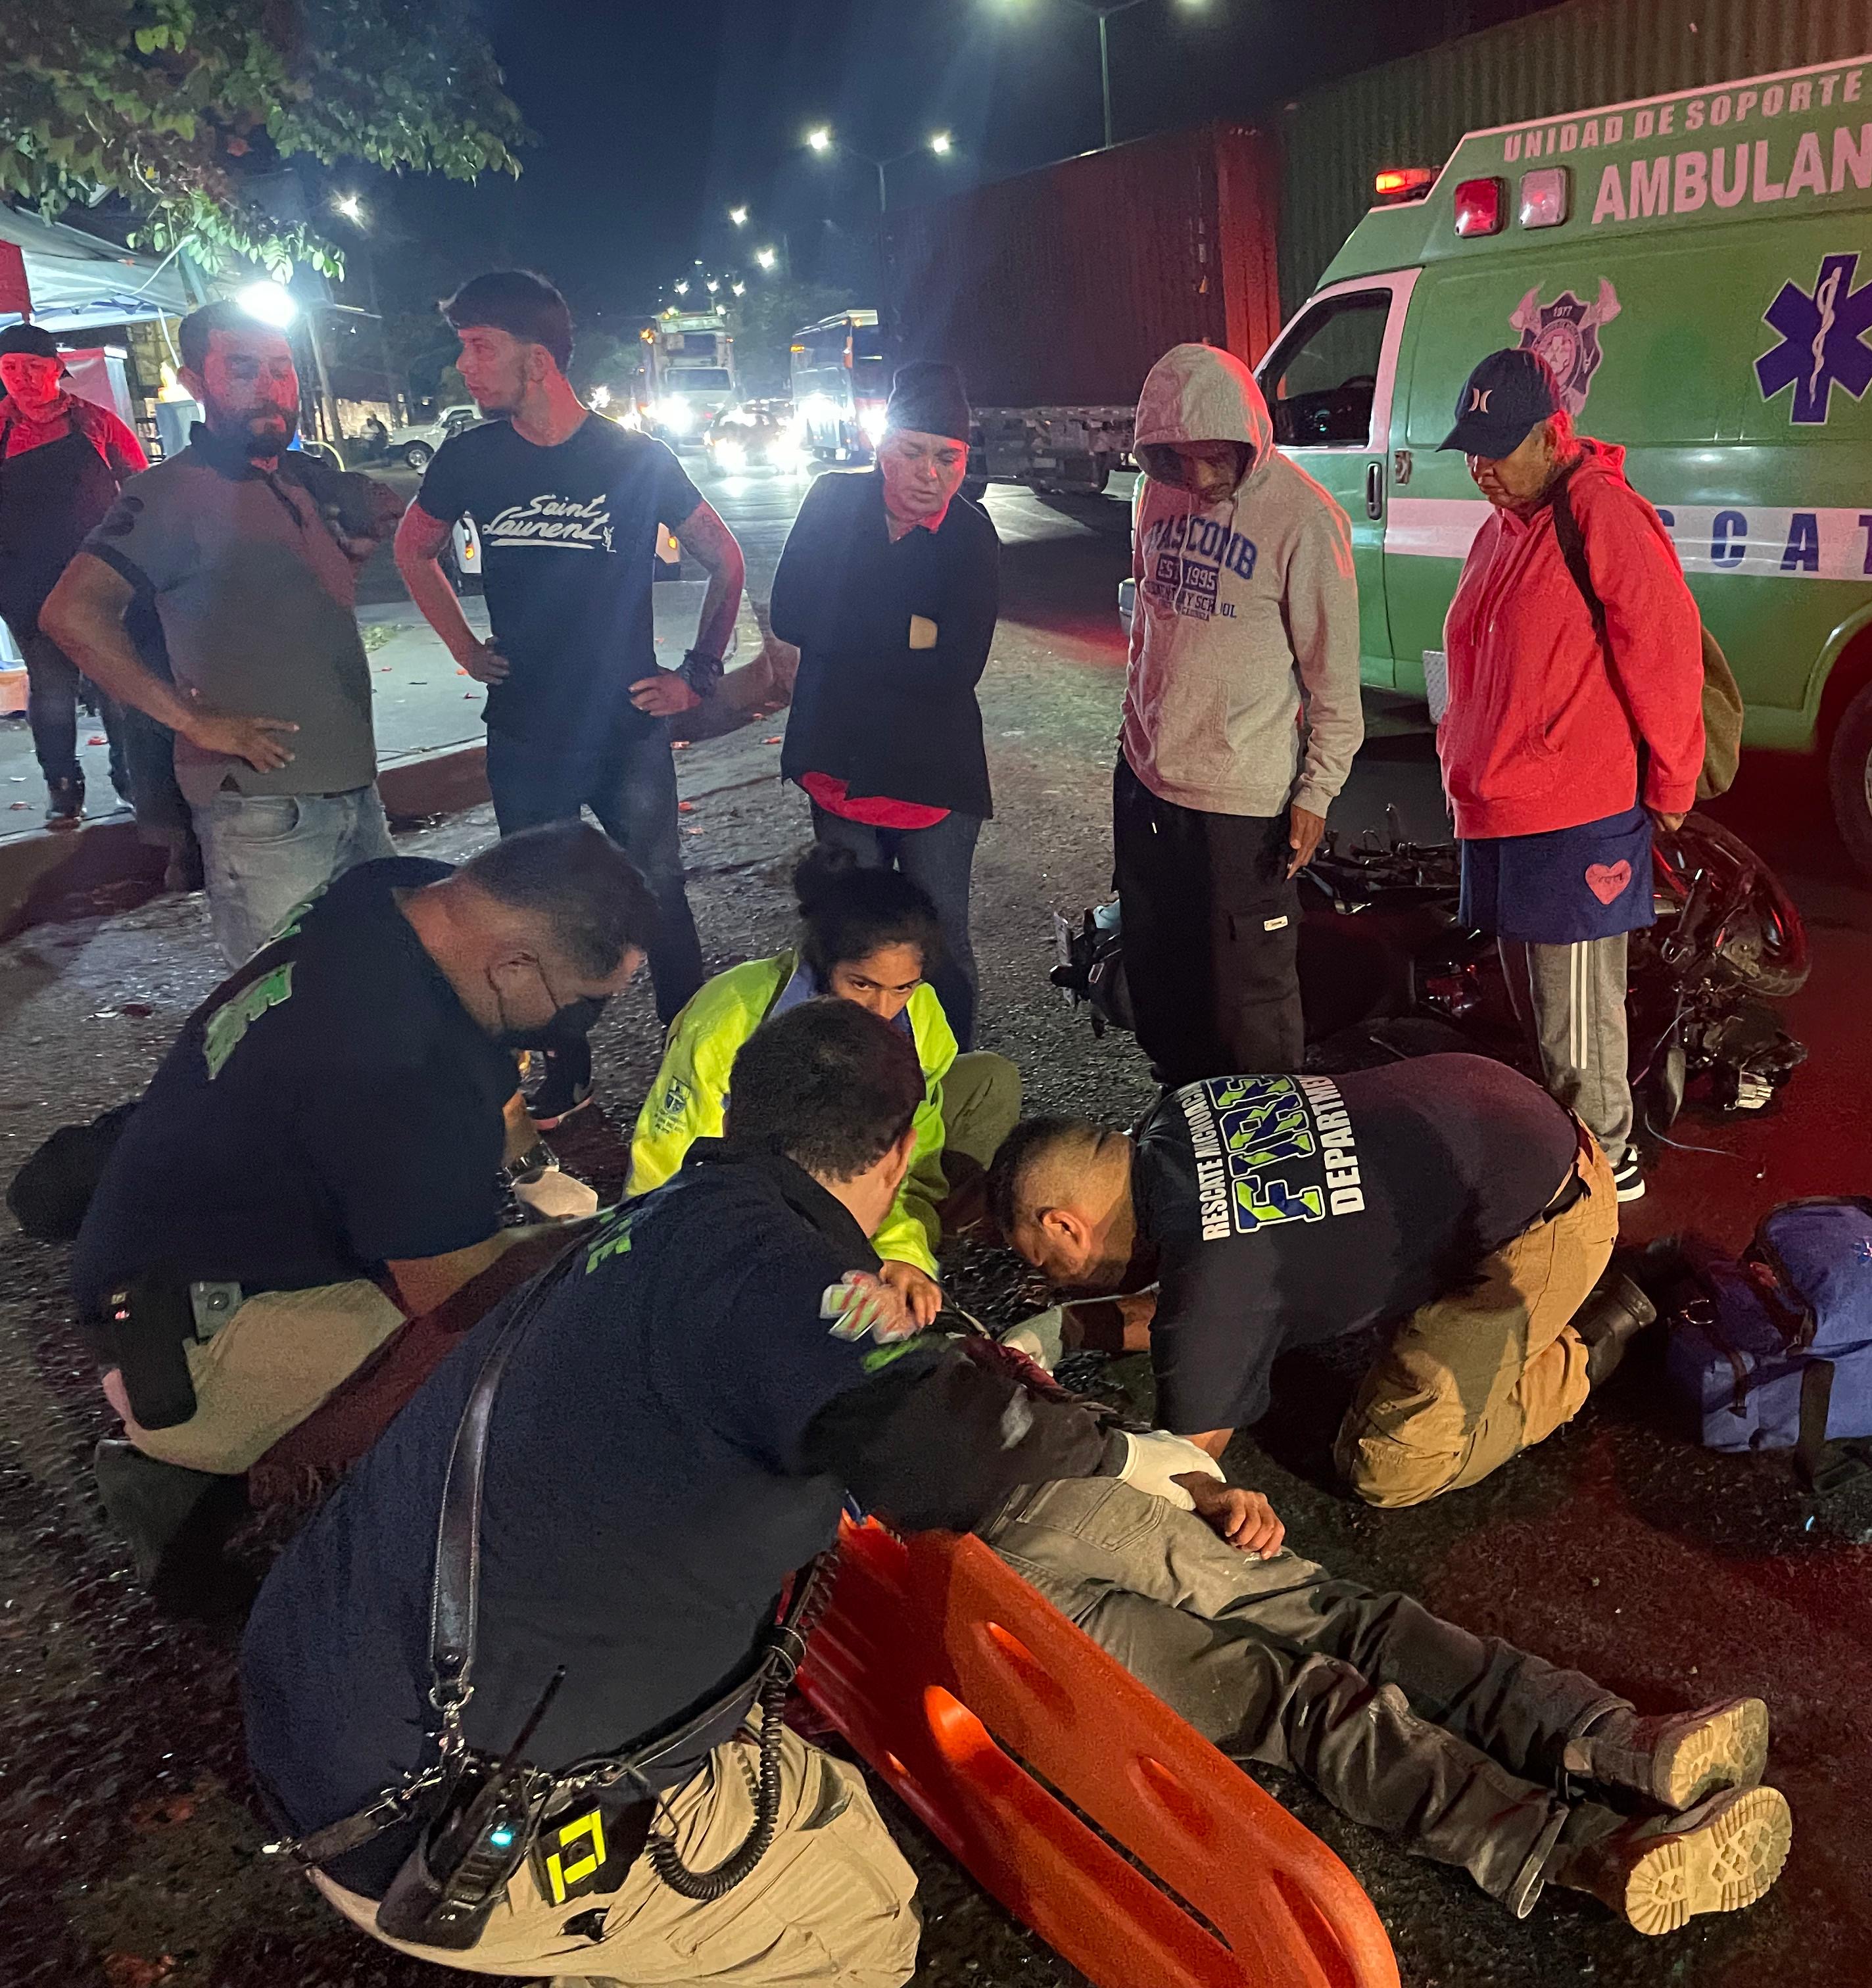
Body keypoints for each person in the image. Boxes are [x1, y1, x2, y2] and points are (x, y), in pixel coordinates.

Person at [240, 999, 1220, 1985]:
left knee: (818, 1793)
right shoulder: (781, 1281)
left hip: (313, 1691)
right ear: (899, 1152)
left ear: (738, 1115)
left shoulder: (642, 1229)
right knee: (862, 1916)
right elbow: (945, 1445)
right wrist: (1128, 1456)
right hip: (435, 1827)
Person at [70, 824, 648, 1565]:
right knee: (545, 1329)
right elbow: (452, 1291)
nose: (584, 1025)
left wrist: (533, 1170)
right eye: (585, 1004)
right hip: (186, 1347)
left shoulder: (397, 896)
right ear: (512, 964)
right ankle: (208, 1483)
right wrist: (610, 1251)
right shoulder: (401, 1070)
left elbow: (490, 1066)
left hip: (159, 1251)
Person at [975, 1465, 1789, 1933]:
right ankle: (1619, 1743)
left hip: (978, 1564)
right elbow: (1090, 1423)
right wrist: (1196, 1480)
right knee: (1348, 1622)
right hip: (1047, 1492)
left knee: (1291, 1708)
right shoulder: (958, 1341)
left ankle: (1591, 1850)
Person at [988, 1053, 1654, 1510]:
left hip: (1549, 1219)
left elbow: (1181, 1468)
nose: (1052, 1281)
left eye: (1043, 1262)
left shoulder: (1217, 1277)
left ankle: (1588, 1344)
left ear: (1065, 1225)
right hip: (1503, 1111)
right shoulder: (1183, 1110)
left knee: (1390, 1467)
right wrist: (1062, 1329)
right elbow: (1194, 1308)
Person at [393, 270, 743, 1127]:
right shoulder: (470, 457)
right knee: (533, 908)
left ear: (538, 359)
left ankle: (692, 1051)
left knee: (659, 890)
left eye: (480, 348)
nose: (465, 367)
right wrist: (463, 648)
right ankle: (568, 1069)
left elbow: (726, 560)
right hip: (526, 732)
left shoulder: (636, 459)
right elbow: (413, 549)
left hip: (627, 729)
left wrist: (697, 674)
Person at [40, 300, 398, 964]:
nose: (270, 387)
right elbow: (72, 614)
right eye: (242, 369)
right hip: (262, 813)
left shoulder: (303, 482)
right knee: (275, 1002)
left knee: (371, 983)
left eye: (281, 369)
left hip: (356, 791)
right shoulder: (168, 494)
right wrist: (193, 722)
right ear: (193, 381)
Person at [1433, 348, 1706, 1205]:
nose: (1482, 467)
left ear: (1554, 435)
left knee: (1577, 1029)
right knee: (1538, 1017)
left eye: (1499, 448)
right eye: (1471, 449)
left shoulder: (1600, 514)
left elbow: (1665, 653)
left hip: (1575, 813)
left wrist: (1673, 782)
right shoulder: (1499, 531)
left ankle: (1604, 1175)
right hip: (1502, 808)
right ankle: (1564, 1160)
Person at [628, 843, 1022, 1327]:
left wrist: (903, 1252)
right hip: (770, 1186)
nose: (882, 1011)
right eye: (861, 984)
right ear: (822, 962)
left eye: (902, 988)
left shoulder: (921, 1014)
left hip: (857, 1176)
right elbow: (669, 1161)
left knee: (990, 1080)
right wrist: (663, 1275)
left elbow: (914, 1159)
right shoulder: (731, 1017)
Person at [1118, 342, 1364, 1085]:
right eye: (1177, 458)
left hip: (1242, 802)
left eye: (1214, 456)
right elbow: (1150, 625)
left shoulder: (1304, 519)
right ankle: (1182, 1116)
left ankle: (1267, 1134)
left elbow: (1333, 683)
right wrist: (1135, 737)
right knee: (1163, 973)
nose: (1197, 477)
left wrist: (1316, 793)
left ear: (1247, 434)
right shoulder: (1153, 494)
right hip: (1147, 781)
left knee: (1250, 1001)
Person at [769, 362, 999, 1049]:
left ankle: (949, 1074)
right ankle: (856, 1073)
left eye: (948, 458)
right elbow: (790, 612)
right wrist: (911, 627)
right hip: (837, 763)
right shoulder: (832, 501)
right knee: (850, 942)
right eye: (913, 452)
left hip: (934, 776)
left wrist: (847, 625)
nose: (931, 473)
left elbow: (959, 664)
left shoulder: (971, 533)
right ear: (881, 447)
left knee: (940, 941)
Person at [0, 320, 147, 828]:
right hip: (25, 582)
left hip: (99, 578)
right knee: (52, 691)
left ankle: (132, 781)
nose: (21, 378)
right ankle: (63, 789)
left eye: (33, 366)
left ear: (57, 369)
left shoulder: (96, 423)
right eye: (10, 368)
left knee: (115, 684)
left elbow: (140, 489)